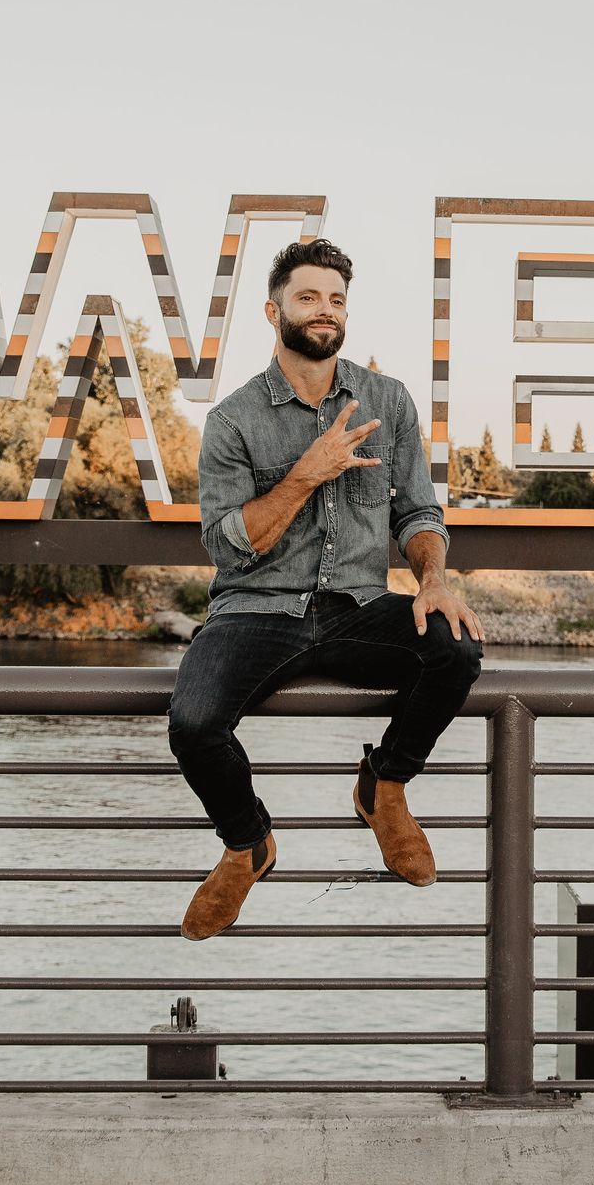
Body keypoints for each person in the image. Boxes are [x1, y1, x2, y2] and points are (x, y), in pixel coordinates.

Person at [168, 238, 484, 941]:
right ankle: (248, 844)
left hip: (358, 608)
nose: (325, 311)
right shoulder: (233, 420)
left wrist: (432, 580)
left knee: (456, 650)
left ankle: (386, 787)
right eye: (308, 297)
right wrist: (306, 474)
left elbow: (419, 513)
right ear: (273, 310)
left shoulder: (388, 400)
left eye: (336, 299)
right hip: (257, 610)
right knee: (193, 724)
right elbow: (225, 543)